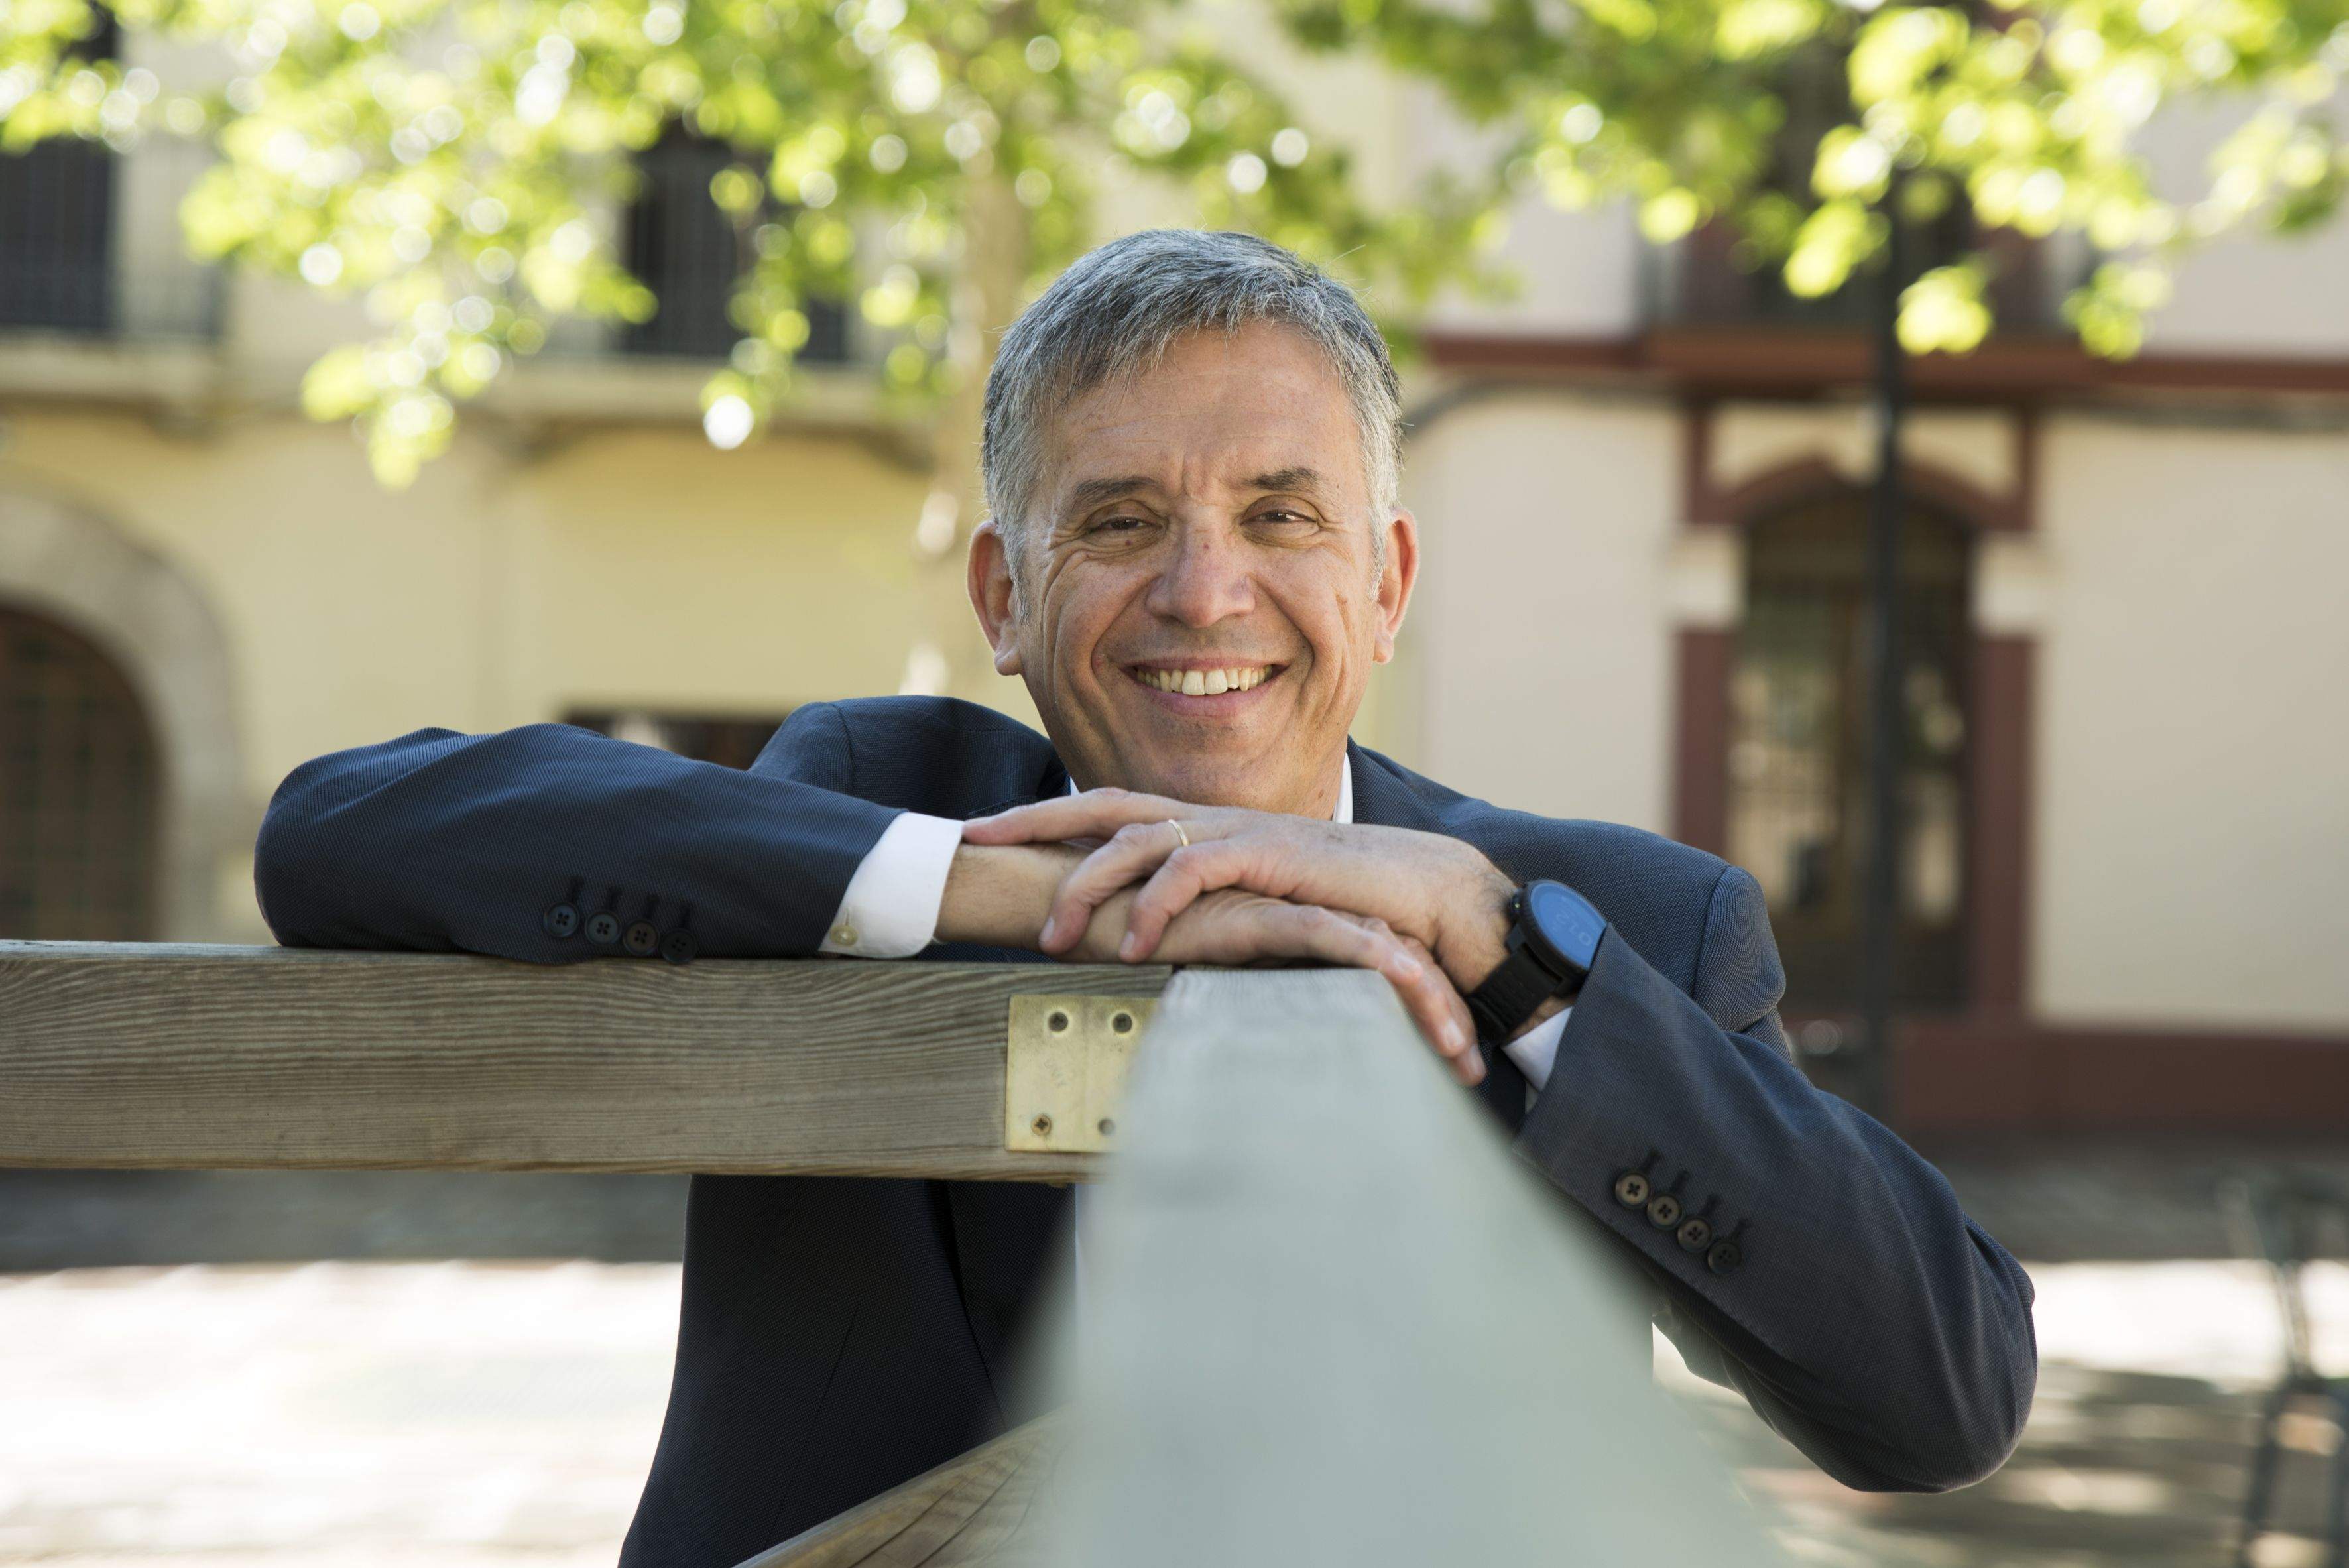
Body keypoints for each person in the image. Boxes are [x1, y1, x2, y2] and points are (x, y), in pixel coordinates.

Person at [253, 227, 2037, 1568]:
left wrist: (1510, 960)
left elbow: (1944, 1397)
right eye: (1118, 522)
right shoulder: (876, 796)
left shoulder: (1607, 917)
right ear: (1002, 598)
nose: (1203, 591)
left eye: (1282, 516)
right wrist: (1019, 899)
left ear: (1388, 581)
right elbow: (340, 832)